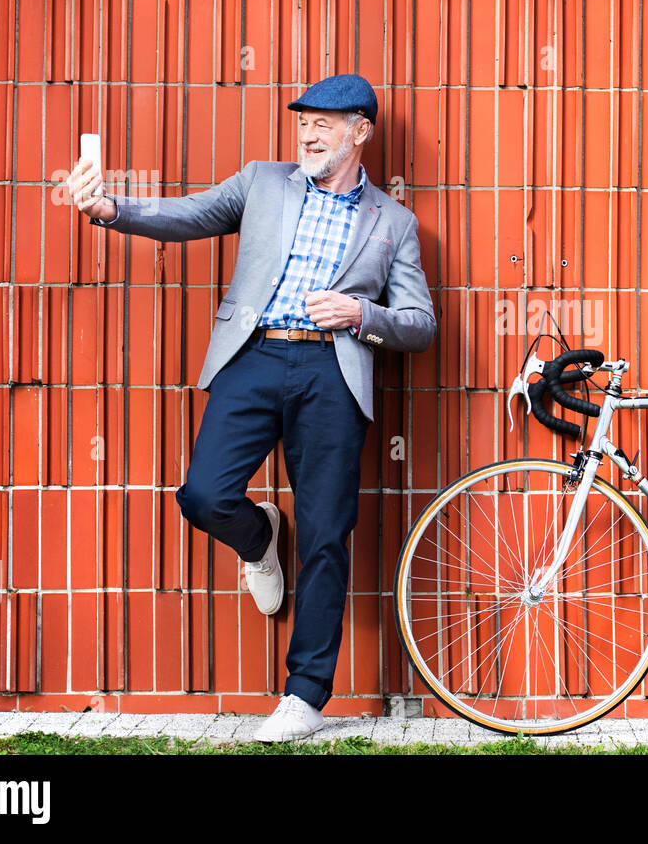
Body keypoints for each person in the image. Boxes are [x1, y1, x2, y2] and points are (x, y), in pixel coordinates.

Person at [66, 74, 437, 742]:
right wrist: (109, 209)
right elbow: (188, 215)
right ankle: (260, 536)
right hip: (254, 357)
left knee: (327, 532)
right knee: (204, 495)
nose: (308, 132)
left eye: (325, 122)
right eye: (303, 120)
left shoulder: (395, 222)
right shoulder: (263, 182)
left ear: (361, 132)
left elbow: (421, 323)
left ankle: (304, 695)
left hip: (333, 373)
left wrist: (361, 313)